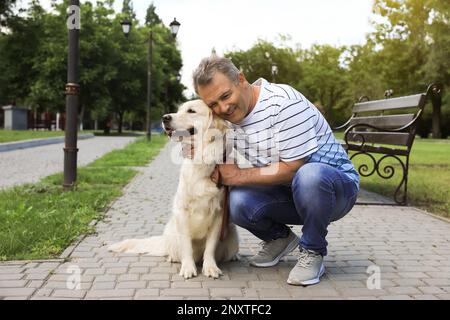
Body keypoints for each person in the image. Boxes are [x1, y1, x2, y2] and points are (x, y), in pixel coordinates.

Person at [191, 56, 359, 286]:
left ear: (241, 79)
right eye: (213, 104)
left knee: (309, 175)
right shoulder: (228, 119)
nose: (223, 108)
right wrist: (194, 143)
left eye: (225, 96)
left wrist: (238, 176)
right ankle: (278, 239)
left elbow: (293, 169)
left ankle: (313, 251)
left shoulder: (283, 104)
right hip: (288, 191)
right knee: (236, 202)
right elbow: (200, 137)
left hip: (335, 190)